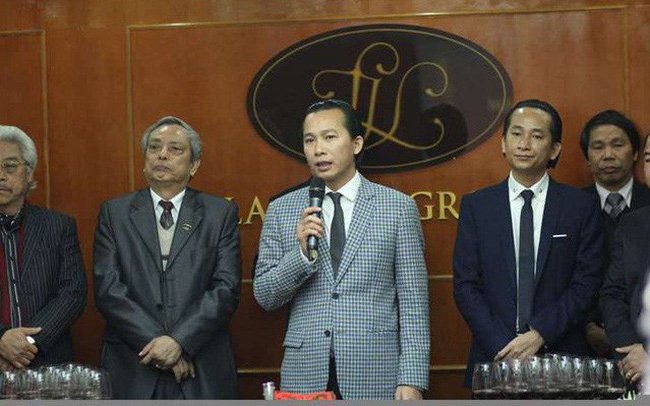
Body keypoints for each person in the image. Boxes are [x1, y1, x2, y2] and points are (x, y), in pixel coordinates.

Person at [253, 99, 429, 400]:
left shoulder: (397, 208)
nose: (318, 149)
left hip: (375, 369)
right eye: (310, 140)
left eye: (329, 137)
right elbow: (265, 295)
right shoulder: (282, 209)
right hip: (305, 372)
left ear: (356, 144)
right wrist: (300, 255)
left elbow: (414, 302)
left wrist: (412, 377)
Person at [453, 99, 604, 386]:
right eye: (516, 134)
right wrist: (504, 346)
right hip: (495, 360)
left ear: (554, 149)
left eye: (536, 136)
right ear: (503, 143)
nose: (524, 144)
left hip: (562, 360)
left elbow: (586, 283)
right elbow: (466, 285)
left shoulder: (580, 207)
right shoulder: (477, 206)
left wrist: (540, 334)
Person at [93, 116, 241, 399]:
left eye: (175, 149)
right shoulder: (114, 213)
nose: (162, 154)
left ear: (194, 165)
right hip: (134, 365)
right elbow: (108, 289)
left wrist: (180, 342)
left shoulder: (219, 214)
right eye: (154, 147)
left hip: (200, 366)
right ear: (144, 160)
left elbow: (226, 288)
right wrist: (159, 344)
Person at [0, 125, 86, 370]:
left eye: (10, 166)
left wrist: (26, 344)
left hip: (45, 362)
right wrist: (1, 340)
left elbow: (73, 293)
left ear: (29, 173)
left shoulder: (58, 226)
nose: (1, 175)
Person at [579, 110, 650, 357]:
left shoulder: (647, 203)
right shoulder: (571, 208)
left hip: (641, 341)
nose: (608, 155)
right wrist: (588, 326)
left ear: (636, 153)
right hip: (582, 339)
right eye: (598, 147)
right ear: (587, 158)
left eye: (618, 145)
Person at [599, 133, 650, 388]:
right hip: (635, 367)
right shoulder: (633, 224)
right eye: (649, 159)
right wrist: (632, 349)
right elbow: (612, 293)